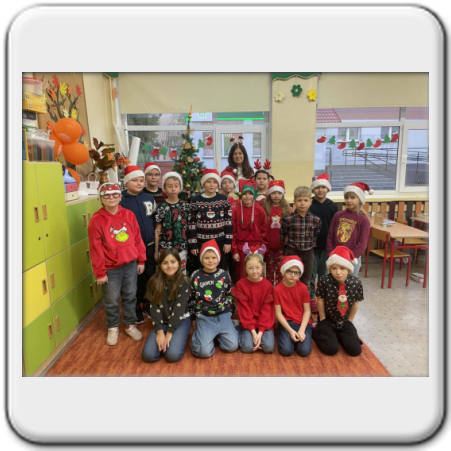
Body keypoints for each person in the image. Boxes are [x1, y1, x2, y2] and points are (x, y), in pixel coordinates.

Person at [88, 182, 146, 346]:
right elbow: (95, 249)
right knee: (112, 300)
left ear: (120, 197)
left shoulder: (129, 215)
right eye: (106, 195)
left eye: (115, 194)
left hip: (130, 265)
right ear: (100, 199)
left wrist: (141, 259)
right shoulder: (96, 220)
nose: (111, 197)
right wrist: (100, 272)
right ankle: (113, 326)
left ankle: (129, 324)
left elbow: (137, 239)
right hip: (110, 269)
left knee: (130, 295)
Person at [120, 165, 157, 325]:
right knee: (132, 279)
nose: (139, 183)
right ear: (127, 182)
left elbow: (154, 219)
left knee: (149, 276)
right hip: (130, 248)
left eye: (141, 180)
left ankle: (146, 303)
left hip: (149, 245)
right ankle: (134, 307)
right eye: (135, 180)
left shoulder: (148, 198)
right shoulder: (121, 200)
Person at [189, 240, 238, 358]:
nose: (210, 261)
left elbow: (230, 294)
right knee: (203, 352)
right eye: (206, 258)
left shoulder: (225, 275)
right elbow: (191, 298)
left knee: (232, 346)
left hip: (223, 314)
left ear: (218, 258)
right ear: (201, 259)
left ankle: (220, 333)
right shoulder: (195, 276)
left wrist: (230, 312)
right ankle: (202, 335)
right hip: (204, 316)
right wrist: (193, 318)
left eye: (213, 257)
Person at [141, 249, 191, 363]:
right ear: (160, 265)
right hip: (162, 320)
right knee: (148, 355)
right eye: (165, 263)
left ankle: (177, 336)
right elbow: (154, 308)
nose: (169, 266)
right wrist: (159, 332)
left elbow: (179, 310)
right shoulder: (154, 281)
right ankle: (165, 340)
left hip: (181, 319)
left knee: (172, 356)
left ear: (179, 263)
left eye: (173, 262)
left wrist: (169, 333)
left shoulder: (184, 282)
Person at [313, 246, 363, 356]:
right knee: (331, 349)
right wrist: (323, 319)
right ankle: (318, 333)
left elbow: (355, 303)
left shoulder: (356, 283)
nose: (338, 272)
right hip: (328, 319)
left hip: (344, 320)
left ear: (348, 269)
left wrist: (350, 321)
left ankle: (339, 336)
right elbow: (320, 300)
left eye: (342, 268)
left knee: (355, 350)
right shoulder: (324, 281)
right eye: (334, 268)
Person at [188, 168, 232, 272]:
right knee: (202, 268)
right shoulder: (196, 200)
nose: (212, 185)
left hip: (220, 241)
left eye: (214, 182)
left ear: (218, 184)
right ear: (203, 183)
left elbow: (228, 222)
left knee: (220, 268)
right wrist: (193, 244)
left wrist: (228, 242)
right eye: (208, 182)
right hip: (201, 241)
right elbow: (191, 224)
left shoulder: (223, 199)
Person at [309, 173, 338, 326]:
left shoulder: (332, 206)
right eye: (317, 187)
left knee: (324, 275)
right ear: (313, 190)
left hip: (327, 247)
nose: (320, 190)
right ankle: (311, 300)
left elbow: (335, 227)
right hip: (311, 247)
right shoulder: (309, 204)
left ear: (328, 189)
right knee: (311, 274)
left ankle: (322, 299)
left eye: (323, 187)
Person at [231, 249, 275, 354]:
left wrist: (260, 332)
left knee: (268, 348)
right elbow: (244, 309)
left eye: (257, 268)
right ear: (245, 269)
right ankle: (238, 329)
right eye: (250, 268)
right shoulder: (241, 284)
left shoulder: (267, 285)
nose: (254, 271)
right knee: (247, 348)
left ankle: (259, 335)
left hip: (264, 322)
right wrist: (253, 332)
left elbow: (267, 310)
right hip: (248, 322)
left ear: (262, 267)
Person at [326, 182, 372, 278]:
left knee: (350, 283)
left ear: (360, 199)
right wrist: (331, 253)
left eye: (352, 197)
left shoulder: (363, 220)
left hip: (352, 259)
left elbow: (362, 243)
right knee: (334, 282)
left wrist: (351, 256)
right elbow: (330, 236)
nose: (349, 200)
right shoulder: (338, 215)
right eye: (346, 198)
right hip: (335, 256)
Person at [280, 186, 321, 289]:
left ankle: (304, 297)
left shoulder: (316, 220)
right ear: (294, 202)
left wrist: (310, 245)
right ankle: (289, 297)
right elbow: (283, 235)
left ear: (310, 202)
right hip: (292, 251)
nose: (302, 203)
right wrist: (287, 247)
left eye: (305, 200)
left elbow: (315, 234)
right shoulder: (288, 219)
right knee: (289, 277)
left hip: (308, 252)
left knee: (306, 279)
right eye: (299, 200)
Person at [273, 255, 312, 357]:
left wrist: (302, 330)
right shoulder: (277, 290)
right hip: (287, 323)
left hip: (302, 322)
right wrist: (290, 331)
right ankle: (284, 335)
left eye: (296, 272)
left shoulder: (303, 288)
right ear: (283, 272)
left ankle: (302, 336)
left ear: (300, 274)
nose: (293, 275)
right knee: (286, 351)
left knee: (304, 351)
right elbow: (278, 313)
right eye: (289, 271)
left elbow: (307, 311)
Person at [231, 180, 268, 282]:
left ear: (254, 195)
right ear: (240, 195)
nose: (247, 197)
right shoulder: (235, 211)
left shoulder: (260, 210)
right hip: (240, 248)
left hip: (257, 248)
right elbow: (233, 232)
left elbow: (264, 231)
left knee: (256, 273)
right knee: (242, 274)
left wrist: (262, 250)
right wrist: (234, 251)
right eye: (244, 194)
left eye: (250, 194)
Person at [155, 172, 190, 274]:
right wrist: (156, 251)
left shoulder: (186, 206)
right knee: (165, 274)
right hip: (164, 248)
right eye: (170, 186)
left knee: (181, 273)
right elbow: (157, 230)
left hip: (182, 248)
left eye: (176, 186)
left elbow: (190, 227)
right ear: (165, 188)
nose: (173, 189)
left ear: (180, 187)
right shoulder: (161, 207)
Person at [263, 180, 292, 287]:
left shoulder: (287, 209)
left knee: (281, 270)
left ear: (283, 194)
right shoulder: (265, 209)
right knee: (270, 270)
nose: (276, 196)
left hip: (282, 247)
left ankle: (280, 289)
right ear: (269, 194)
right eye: (273, 193)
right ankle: (269, 289)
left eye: (279, 193)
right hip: (268, 247)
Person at [219, 169, 239, 283]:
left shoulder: (237, 199)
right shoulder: (219, 198)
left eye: (230, 182)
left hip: (235, 232)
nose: (227, 185)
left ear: (234, 184)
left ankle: (234, 282)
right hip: (224, 232)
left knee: (234, 262)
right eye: (224, 182)